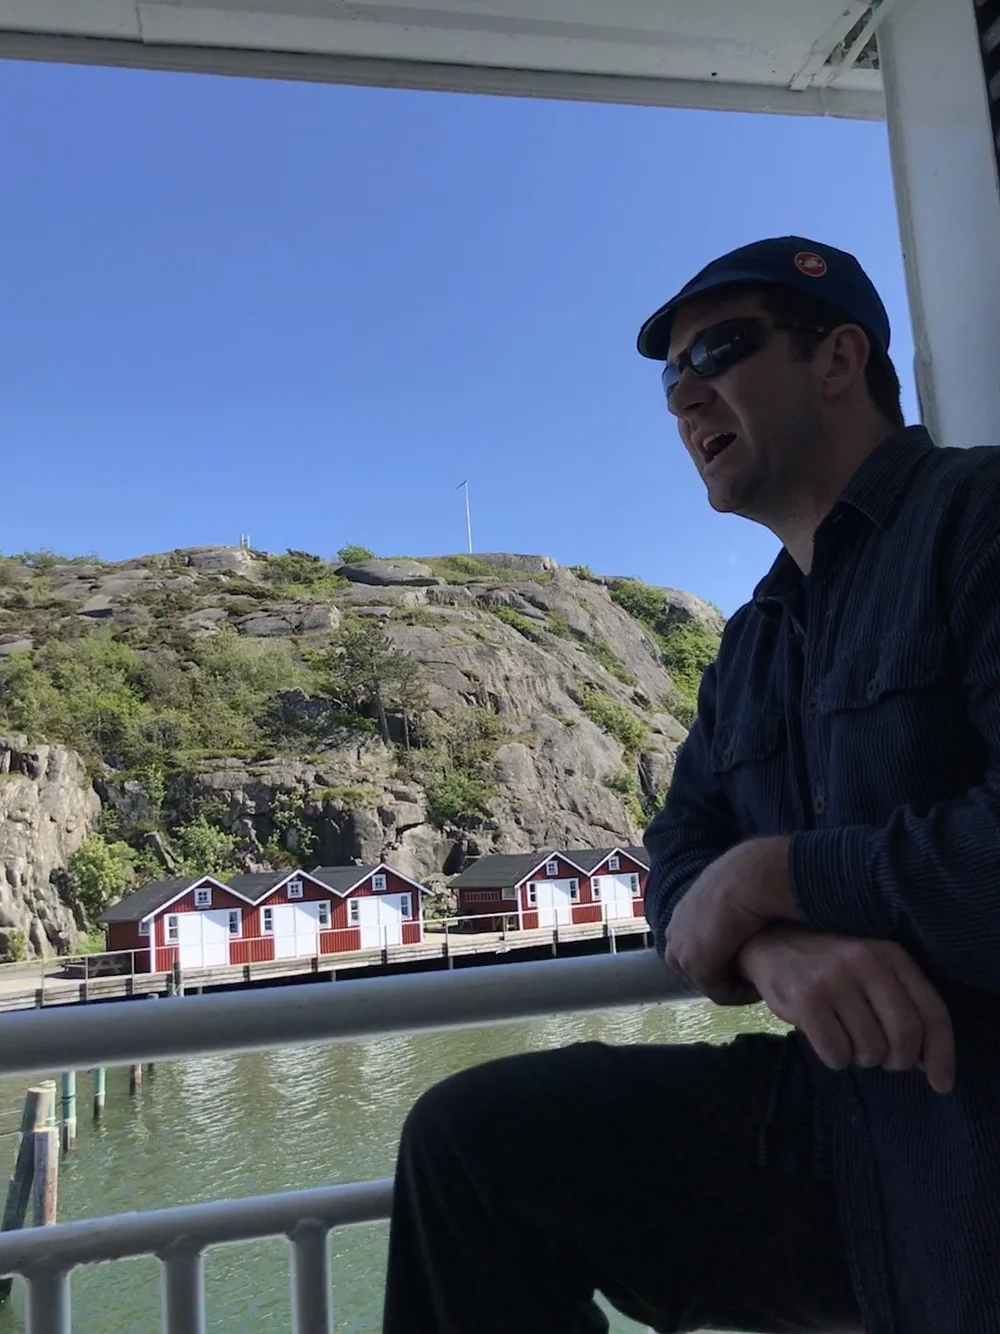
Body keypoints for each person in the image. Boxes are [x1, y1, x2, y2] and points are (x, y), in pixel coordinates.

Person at [381, 237, 1000, 1333]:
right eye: (671, 376)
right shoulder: (752, 641)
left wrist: (775, 875)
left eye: (718, 351)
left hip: (970, 1124)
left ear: (838, 358)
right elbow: (678, 859)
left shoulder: (978, 518)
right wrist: (769, 944)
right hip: (833, 1123)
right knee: (472, 1145)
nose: (683, 396)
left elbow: (741, 866)